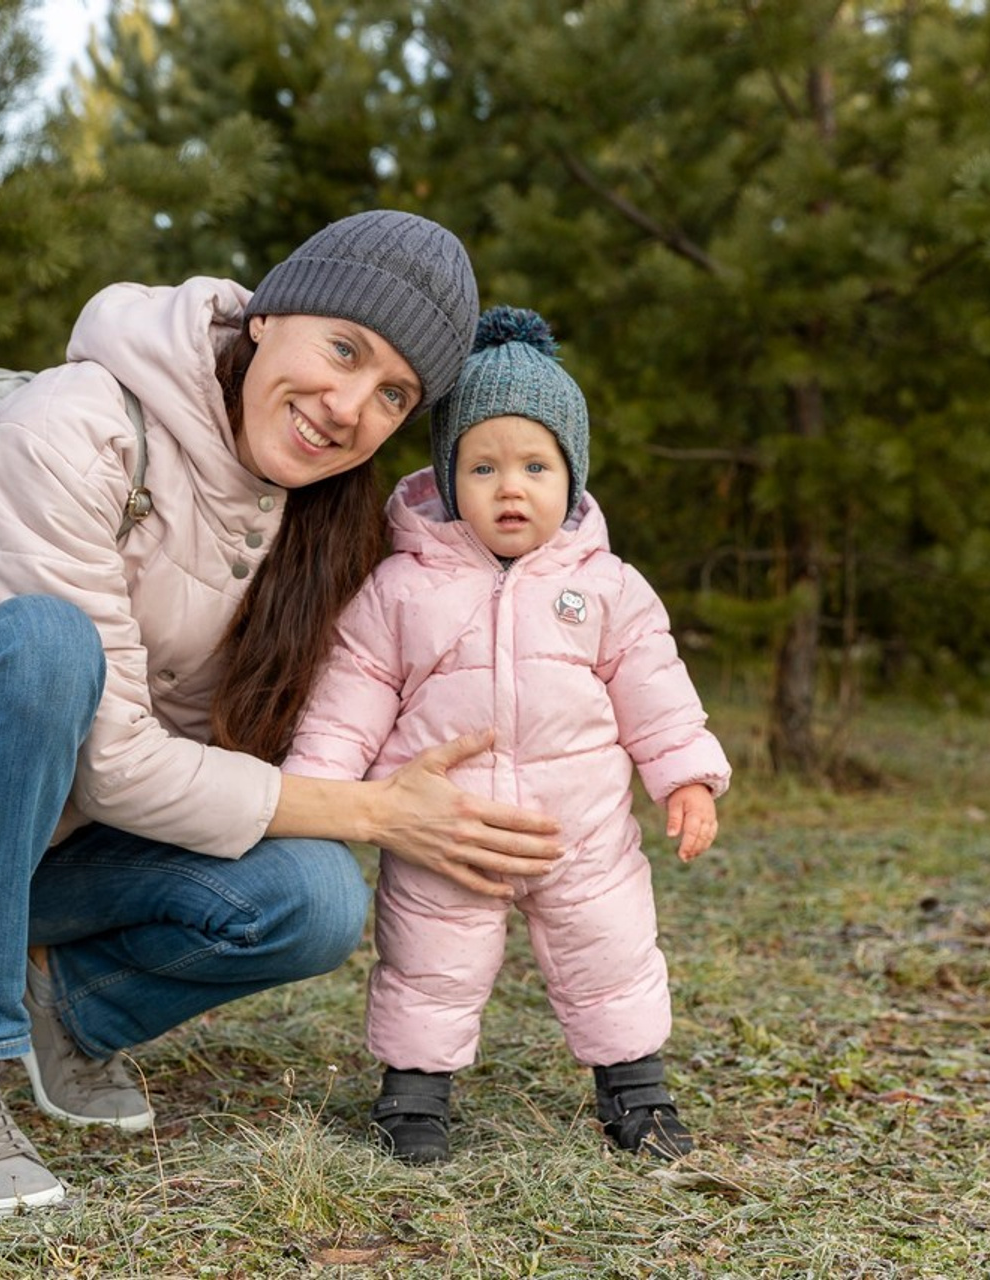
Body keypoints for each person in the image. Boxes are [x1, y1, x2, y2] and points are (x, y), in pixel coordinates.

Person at [0, 213, 568, 1213]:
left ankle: (71, 1004)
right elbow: (114, 762)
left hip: (44, 841)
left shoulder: (318, 513)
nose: (346, 407)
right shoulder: (76, 422)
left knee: (312, 897)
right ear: (269, 315)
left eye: (392, 393)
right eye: (342, 349)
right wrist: (374, 811)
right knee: (49, 643)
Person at [283, 306, 732, 1165]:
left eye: (535, 464)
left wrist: (684, 778)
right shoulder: (402, 588)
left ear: (573, 475)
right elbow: (351, 697)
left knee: (613, 954)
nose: (511, 487)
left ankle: (636, 1090)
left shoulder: (607, 588)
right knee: (426, 963)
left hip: (584, 831)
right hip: (444, 831)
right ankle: (414, 1098)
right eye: (482, 467)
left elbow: (657, 689)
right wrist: (327, 795)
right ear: (450, 480)